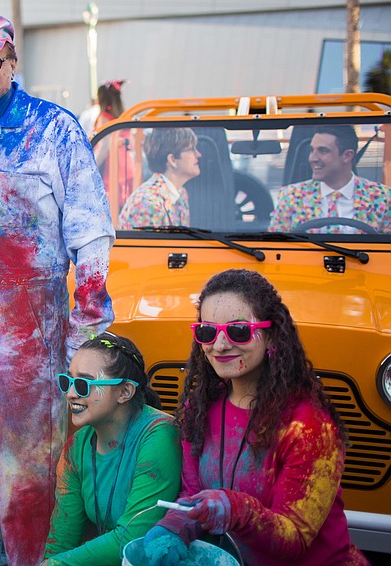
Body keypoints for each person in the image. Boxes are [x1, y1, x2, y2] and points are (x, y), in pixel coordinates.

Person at [0, 13, 115, 566]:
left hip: (32, 347)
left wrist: (85, 343)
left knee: (31, 475)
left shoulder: (54, 131)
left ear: (13, 62)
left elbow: (92, 240)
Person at [142, 269, 369, 566]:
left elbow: (295, 539)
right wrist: (172, 528)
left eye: (238, 331)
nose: (220, 345)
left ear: (271, 334)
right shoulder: (197, 410)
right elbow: (192, 495)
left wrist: (235, 508)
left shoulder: (310, 428)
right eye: (207, 332)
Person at [42, 333, 181, 566]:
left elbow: (132, 539)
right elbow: (62, 539)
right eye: (68, 382)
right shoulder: (76, 447)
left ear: (125, 392)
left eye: (84, 384)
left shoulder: (159, 435)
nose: (71, 394)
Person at [269, 125, 391, 234]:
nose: (313, 158)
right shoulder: (290, 197)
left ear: (347, 156)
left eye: (323, 151)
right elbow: (273, 247)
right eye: (312, 150)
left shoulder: (383, 198)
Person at [116, 128, 200, 230]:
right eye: (192, 149)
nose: (198, 154)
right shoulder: (147, 203)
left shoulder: (181, 193)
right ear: (172, 160)